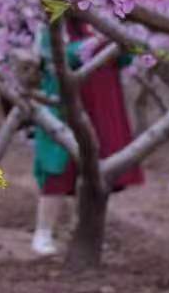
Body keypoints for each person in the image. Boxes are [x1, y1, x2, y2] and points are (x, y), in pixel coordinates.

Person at [31, 15, 145, 257]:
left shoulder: (104, 20)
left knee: (93, 173)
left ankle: (82, 231)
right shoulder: (56, 22)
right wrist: (94, 45)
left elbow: (125, 58)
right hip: (66, 106)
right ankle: (43, 232)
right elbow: (56, 55)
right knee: (58, 173)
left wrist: (119, 43)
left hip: (101, 106)